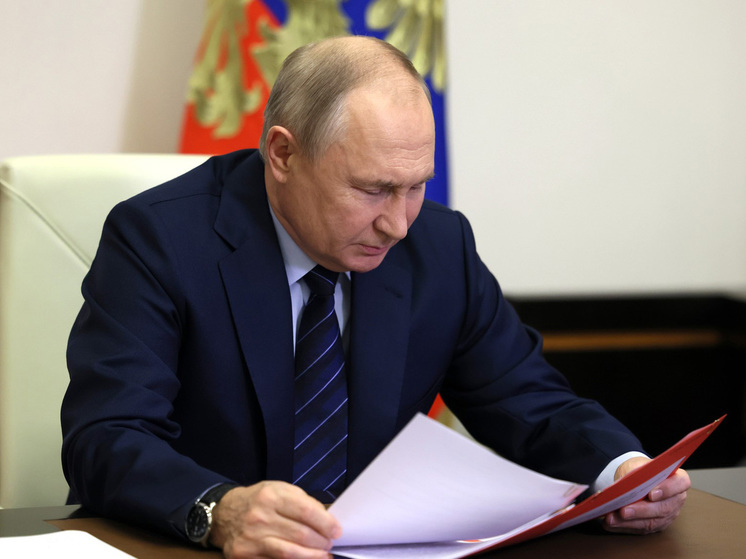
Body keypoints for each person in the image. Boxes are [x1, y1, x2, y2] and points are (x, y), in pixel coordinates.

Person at [61, 36, 689, 558]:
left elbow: (527, 399)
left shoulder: (439, 246)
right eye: (373, 189)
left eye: (416, 187)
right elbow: (107, 435)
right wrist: (219, 510)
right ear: (283, 153)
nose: (399, 224)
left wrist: (624, 471)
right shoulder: (160, 239)